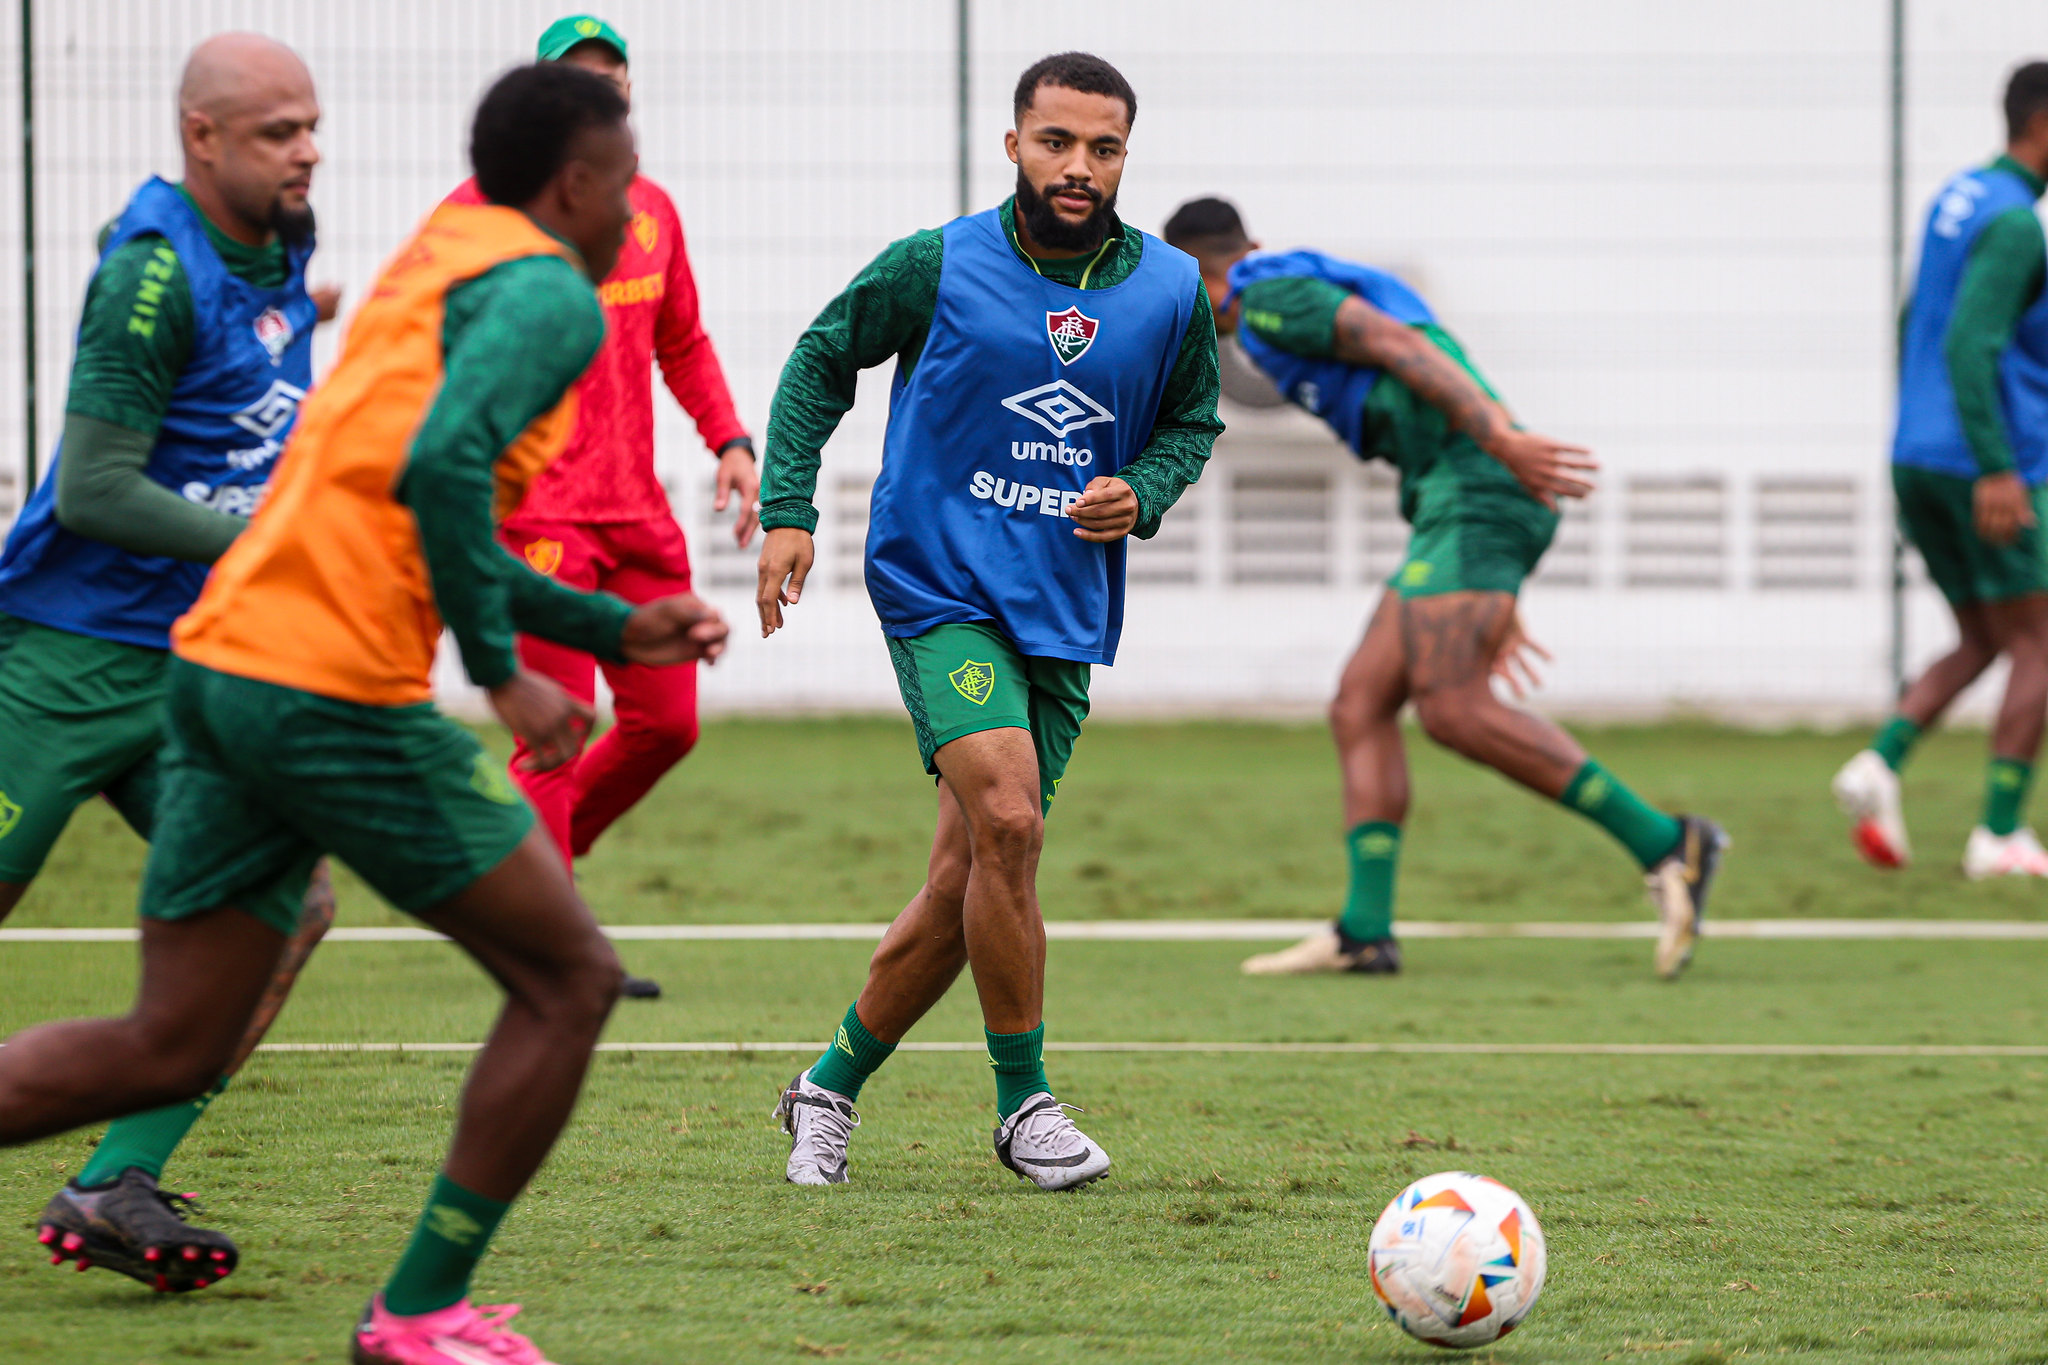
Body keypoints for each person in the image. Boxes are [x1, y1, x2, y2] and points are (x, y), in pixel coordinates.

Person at [0, 63, 727, 1365]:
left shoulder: (443, 249)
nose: (638, 217)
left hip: (218, 667)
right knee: (570, 979)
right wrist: (506, 671)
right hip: (323, 689)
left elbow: (408, 489)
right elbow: (448, 467)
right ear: (577, 185)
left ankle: (373, 1288)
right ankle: (420, 1312)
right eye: (626, 188)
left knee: (169, 1043)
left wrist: (616, 631)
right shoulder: (552, 295)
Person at [756, 52, 1220, 1190]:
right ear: (1012, 143)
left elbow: (1190, 423)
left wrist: (1142, 490)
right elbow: (823, 357)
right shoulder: (938, 263)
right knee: (1009, 822)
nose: (1078, 167)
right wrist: (786, 510)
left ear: (1124, 157)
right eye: (1056, 141)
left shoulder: (1167, 289)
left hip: (1061, 609)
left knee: (971, 879)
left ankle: (825, 1086)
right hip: (938, 588)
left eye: (1102, 148)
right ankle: (1025, 1109)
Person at [1160, 197, 1726, 982]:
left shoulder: (1265, 299)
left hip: (1476, 486)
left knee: (1454, 708)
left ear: (1195, 272)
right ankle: (1363, 932)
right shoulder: (1272, 297)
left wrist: (1498, 440)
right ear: (1246, 241)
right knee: (1360, 700)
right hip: (1452, 506)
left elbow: (1396, 344)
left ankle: (1670, 843)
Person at [0, 32, 340, 1290]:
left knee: (287, 908)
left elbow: (256, 364)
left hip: (189, 662)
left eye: (310, 126)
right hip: (60, 664)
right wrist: (263, 544)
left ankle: (113, 1182)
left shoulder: (282, 234)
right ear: (201, 138)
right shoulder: (150, 272)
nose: (306, 151)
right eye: (274, 133)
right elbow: (92, 490)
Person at [446, 22, 755, 981]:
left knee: (669, 723)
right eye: (574, 90)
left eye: (609, 89)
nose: (596, 106)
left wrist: (732, 442)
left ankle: (533, 872)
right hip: (534, 514)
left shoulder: (651, 210)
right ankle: (554, 941)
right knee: (555, 730)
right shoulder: (481, 215)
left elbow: (684, 341)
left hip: (633, 512)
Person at [1834, 62, 2048, 879]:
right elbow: (1970, 342)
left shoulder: (1959, 197)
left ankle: (1878, 762)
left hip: (1918, 451)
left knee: (1982, 636)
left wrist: (1919, 422)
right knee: (2040, 640)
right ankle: (1998, 833)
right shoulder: (2017, 224)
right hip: (1983, 462)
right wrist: (1996, 466)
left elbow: (1912, 319)